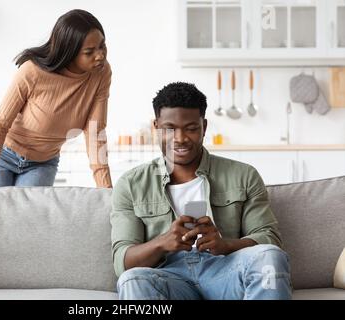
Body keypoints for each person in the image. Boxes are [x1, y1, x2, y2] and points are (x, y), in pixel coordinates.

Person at [110, 82, 292, 300]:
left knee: (269, 257)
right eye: (169, 129)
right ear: (156, 127)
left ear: (204, 127)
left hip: (226, 271)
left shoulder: (244, 175)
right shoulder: (131, 184)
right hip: (169, 277)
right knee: (132, 280)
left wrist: (226, 245)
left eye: (191, 128)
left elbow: (269, 238)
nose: (180, 138)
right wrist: (163, 242)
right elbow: (123, 261)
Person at [0, 9, 112, 194]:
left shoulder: (101, 73)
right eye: (89, 52)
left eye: (102, 46)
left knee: (26, 219)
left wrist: (106, 190)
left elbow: (95, 132)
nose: (100, 56)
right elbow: (0, 124)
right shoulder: (32, 72)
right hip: (2, 155)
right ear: (69, 52)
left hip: (42, 163)